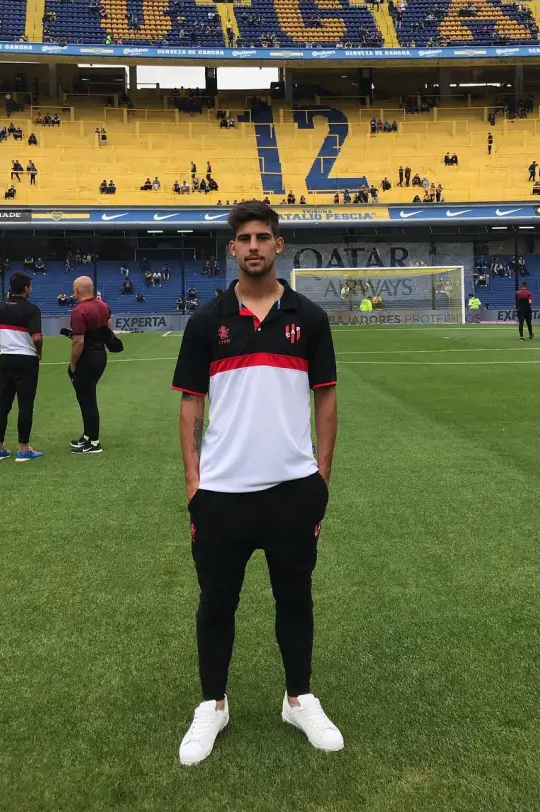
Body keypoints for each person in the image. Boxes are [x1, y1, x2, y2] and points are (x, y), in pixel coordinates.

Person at [172, 200, 342, 766]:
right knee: (216, 604)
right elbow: (190, 406)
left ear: (279, 245)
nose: (252, 246)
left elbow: (327, 399)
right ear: (231, 249)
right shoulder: (206, 322)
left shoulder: (310, 318)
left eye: (262, 237)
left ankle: (299, 697)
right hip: (221, 495)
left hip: (294, 491)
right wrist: (194, 483)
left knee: (295, 599)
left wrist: (321, 476)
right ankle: (212, 704)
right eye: (243, 238)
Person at [0, 271, 43, 462]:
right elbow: (37, 337)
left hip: (6, 359)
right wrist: (39, 352)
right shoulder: (32, 309)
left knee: (3, 404)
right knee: (25, 405)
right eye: (30, 286)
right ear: (26, 288)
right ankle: (23, 450)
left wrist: (3, 348)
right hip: (26, 360)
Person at [68, 276, 113, 454]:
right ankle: (87, 436)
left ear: (78, 290)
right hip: (100, 354)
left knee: (87, 399)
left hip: (87, 357)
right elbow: (109, 327)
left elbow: (78, 342)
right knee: (85, 396)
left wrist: (72, 364)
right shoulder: (103, 305)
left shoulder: (79, 311)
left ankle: (94, 442)